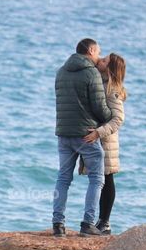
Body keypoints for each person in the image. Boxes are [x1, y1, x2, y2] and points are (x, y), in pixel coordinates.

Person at [52, 38, 114, 237]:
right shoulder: (91, 73)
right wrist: (109, 117)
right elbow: (98, 106)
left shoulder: (61, 72)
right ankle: (88, 223)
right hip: (85, 134)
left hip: (63, 132)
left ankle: (58, 223)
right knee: (97, 178)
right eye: (98, 52)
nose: (98, 57)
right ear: (91, 50)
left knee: (63, 178)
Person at [79, 53, 126, 235]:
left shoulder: (112, 89)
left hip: (105, 141)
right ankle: (102, 222)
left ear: (110, 69)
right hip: (100, 139)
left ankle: (104, 222)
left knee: (106, 178)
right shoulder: (101, 83)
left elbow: (118, 119)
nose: (101, 60)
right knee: (103, 179)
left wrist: (98, 133)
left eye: (105, 61)